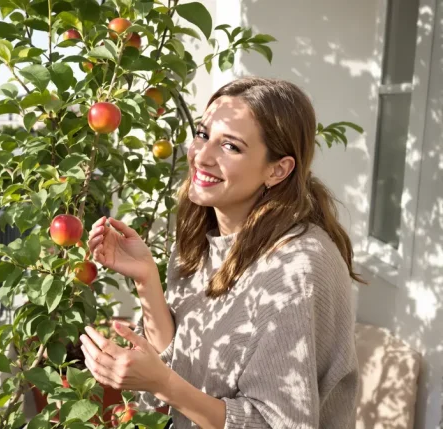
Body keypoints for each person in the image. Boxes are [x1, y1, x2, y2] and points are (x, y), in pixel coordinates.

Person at [80, 77, 361, 428]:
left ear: (278, 170)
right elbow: (183, 366)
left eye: (231, 147)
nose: (202, 156)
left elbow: (278, 423)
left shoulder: (296, 267)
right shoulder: (203, 237)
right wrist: (146, 278)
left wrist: (161, 384)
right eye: (202, 134)